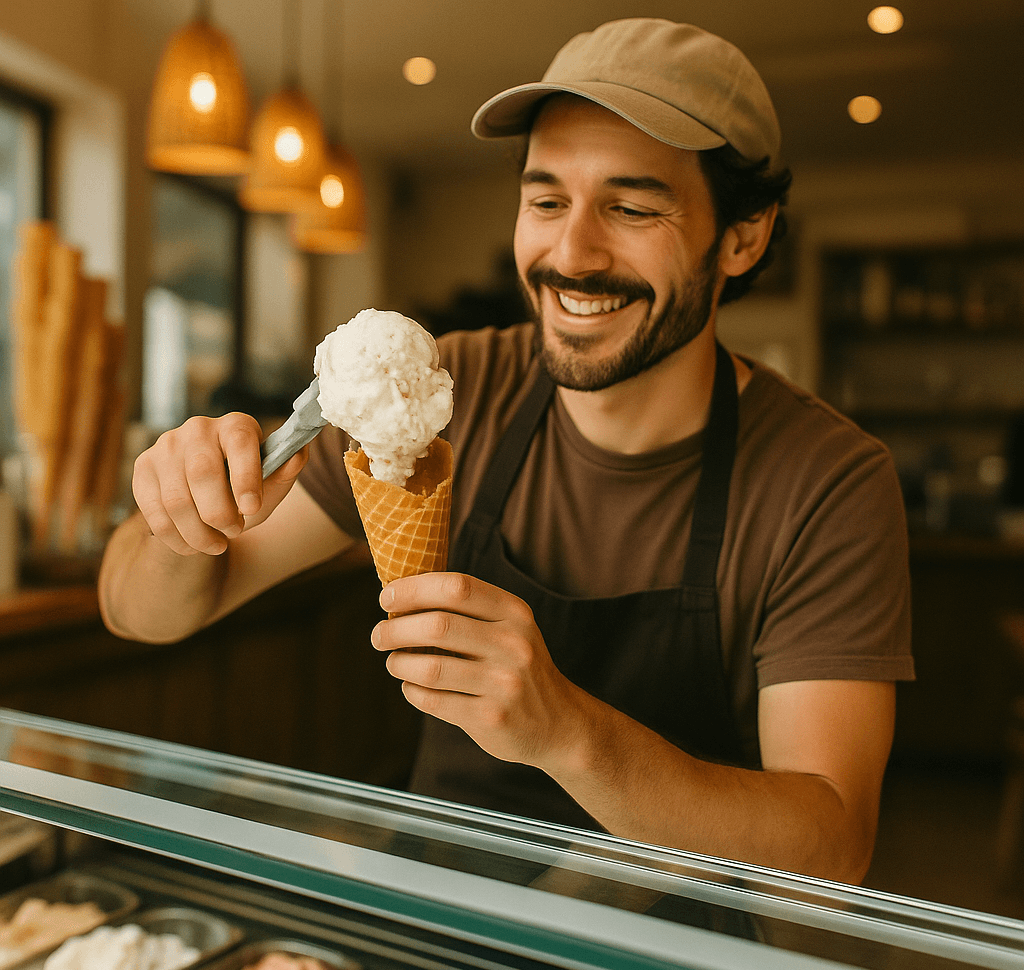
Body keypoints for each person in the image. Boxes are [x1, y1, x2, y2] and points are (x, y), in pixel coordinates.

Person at [99, 19, 914, 884]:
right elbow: (140, 610)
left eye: (633, 208)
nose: (571, 254)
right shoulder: (441, 389)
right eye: (545, 200)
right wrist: (177, 523)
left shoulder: (829, 481)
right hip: (443, 941)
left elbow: (832, 849)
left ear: (743, 237)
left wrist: (568, 731)